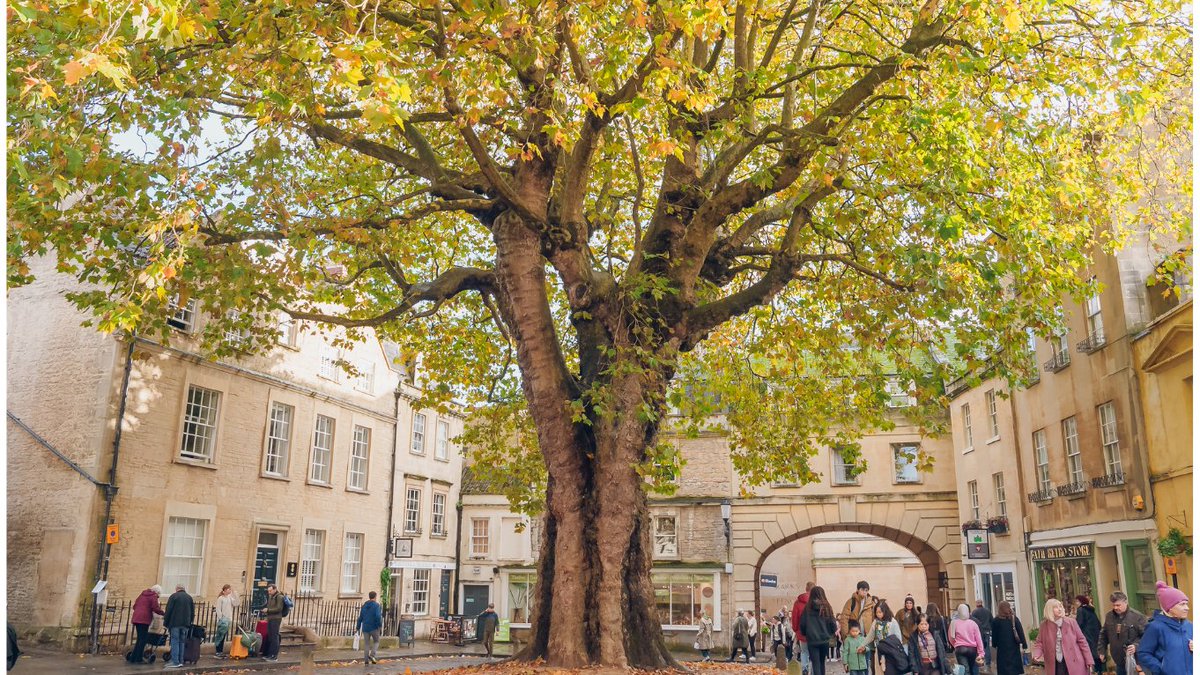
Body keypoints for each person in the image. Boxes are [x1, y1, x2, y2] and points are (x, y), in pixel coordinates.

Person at [1135, 581, 1193, 675]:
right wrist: (1161, 669)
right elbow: (1143, 653)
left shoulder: (1190, 626)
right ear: (1169, 608)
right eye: (1182, 604)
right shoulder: (1155, 627)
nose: (1187, 608)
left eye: (1186, 604)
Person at [1031, 598, 1094, 675]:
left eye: (1060, 606)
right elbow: (1039, 642)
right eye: (1056, 607)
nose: (1060, 609)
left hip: (1074, 662)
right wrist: (1037, 654)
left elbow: (1082, 641)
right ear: (1049, 610)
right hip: (1055, 663)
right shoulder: (1044, 626)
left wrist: (1089, 660)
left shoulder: (1071, 622)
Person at [1098, 591, 1147, 675]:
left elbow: (1147, 637)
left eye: (1118, 605)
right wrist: (1101, 651)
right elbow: (1103, 634)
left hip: (1136, 661)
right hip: (1118, 660)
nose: (1116, 608)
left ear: (1125, 603)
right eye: (1113, 605)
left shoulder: (1138, 617)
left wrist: (1136, 646)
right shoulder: (1109, 616)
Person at [799, 585, 838, 675]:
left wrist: (806, 633)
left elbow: (803, 624)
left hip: (812, 640)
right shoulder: (827, 607)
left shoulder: (807, 607)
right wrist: (830, 633)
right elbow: (833, 623)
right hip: (824, 639)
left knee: (815, 663)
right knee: (822, 663)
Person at [162, 584, 194, 669]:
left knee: (175, 641)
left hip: (175, 623)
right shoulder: (189, 597)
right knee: (182, 642)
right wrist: (190, 622)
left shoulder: (174, 596)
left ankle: (175, 661)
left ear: (177, 589)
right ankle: (180, 661)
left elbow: (168, 610)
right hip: (186, 624)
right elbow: (192, 612)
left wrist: (165, 623)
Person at [129, 585, 164, 664]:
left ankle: (133, 657)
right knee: (143, 639)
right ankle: (138, 658)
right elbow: (155, 608)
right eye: (159, 595)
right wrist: (163, 613)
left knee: (139, 639)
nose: (158, 597)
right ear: (157, 592)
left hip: (136, 618)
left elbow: (135, 606)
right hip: (144, 619)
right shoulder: (153, 596)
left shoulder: (142, 594)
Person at [991, 601, 1027, 675]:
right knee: (1014, 668)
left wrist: (994, 644)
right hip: (1014, 647)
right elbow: (1020, 631)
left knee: (1004, 669)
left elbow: (994, 634)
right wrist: (1024, 643)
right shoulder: (1013, 618)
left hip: (1002, 648)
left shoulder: (996, 620)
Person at [949, 603, 986, 675]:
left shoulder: (954, 623)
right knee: (973, 668)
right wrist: (981, 653)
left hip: (960, 648)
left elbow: (951, 637)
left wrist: (956, 645)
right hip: (972, 649)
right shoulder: (973, 623)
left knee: (965, 669)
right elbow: (978, 639)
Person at [869, 600, 901, 673]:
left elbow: (898, 638)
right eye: (876, 612)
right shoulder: (875, 622)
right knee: (879, 671)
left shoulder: (892, 622)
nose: (878, 614)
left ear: (885, 611)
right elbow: (870, 636)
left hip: (890, 652)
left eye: (880, 612)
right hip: (879, 651)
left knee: (889, 671)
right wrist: (862, 645)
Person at [1073, 595, 1101, 672]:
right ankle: (1099, 671)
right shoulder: (1090, 609)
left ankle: (1092, 671)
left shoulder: (1081, 610)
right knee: (1096, 653)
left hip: (1086, 634)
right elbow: (1098, 623)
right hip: (1094, 634)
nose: (1076, 603)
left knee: (1089, 653)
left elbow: (1079, 624)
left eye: (1077, 601)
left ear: (1081, 601)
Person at [356, 591, 383, 664]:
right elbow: (378, 616)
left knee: (366, 644)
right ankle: (372, 655)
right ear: (375, 597)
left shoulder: (364, 605)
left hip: (365, 628)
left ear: (369, 596)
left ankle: (366, 661)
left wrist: (358, 627)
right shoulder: (377, 605)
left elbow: (360, 617)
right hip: (374, 627)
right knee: (376, 641)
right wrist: (379, 625)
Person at [793, 582, 814, 672]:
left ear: (806, 589)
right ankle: (813, 670)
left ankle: (804, 668)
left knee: (804, 651)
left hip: (802, 632)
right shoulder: (817, 601)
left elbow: (794, 617)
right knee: (814, 653)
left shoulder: (798, 602)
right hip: (814, 632)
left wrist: (795, 629)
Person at [213, 584, 238, 658]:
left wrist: (235, 594)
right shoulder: (220, 598)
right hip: (223, 620)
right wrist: (221, 618)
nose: (229, 590)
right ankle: (218, 651)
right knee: (220, 636)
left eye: (230, 589)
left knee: (224, 636)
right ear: (224, 590)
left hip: (228, 619)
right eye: (228, 589)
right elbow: (218, 609)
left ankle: (221, 651)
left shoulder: (230, 597)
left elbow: (236, 603)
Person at [262, 583, 284, 662]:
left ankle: (274, 656)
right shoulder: (271, 596)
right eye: (268, 591)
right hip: (270, 618)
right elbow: (270, 607)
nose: (269, 592)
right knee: (270, 636)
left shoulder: (279, 597)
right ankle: (269, 654)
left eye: (270, 591)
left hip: (276, 619)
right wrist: (266, 612)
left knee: (275, 637)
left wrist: (268, 610)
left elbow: (279, 608)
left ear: (275, 589)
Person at [971, 600, 994, 668]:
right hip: (987, 631)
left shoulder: (974, 612)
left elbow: (973, 622)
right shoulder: (988, 611)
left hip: (978, 631)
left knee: (979, 647)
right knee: (987, 648)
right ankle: (988, 662)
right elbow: (991, 620)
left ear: (976, 604)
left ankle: (981, 662)